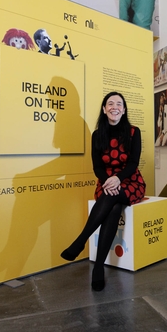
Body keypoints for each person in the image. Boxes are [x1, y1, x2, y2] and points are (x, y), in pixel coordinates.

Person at [60, 91, 146, 291]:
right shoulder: (97, 135)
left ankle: (81, 241)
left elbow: (133, 163)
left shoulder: (134, 132)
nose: (114, 107)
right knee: (114, 208)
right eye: (110, 103)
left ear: (124, 110)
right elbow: (97, 167)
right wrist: (109, 180)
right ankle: (98, 268)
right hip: (106, 183)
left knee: (111, 198)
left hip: (130, 182)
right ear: (104, 109)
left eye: (119, 104)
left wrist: (118, 179)